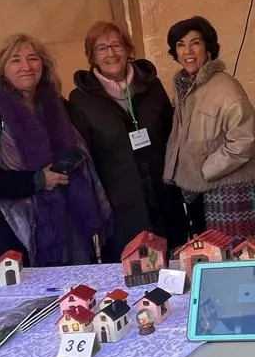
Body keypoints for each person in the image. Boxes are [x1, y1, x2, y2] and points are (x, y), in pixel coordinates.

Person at [0, 33, 113, 268]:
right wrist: (37, 181)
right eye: (15, 60)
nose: (26, 67)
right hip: (11, 234)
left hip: (68, 230)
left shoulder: (59, 107)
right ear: (2, 69)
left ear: (43, 64)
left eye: (33, 58)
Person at [66, 21, 189, 251]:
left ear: (128, 49)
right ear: (92, 56)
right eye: (101, 48)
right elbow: (84, 159)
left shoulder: (151, 86)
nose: (111, 53)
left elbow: (173, 135)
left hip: (164, 196)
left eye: (116, 45)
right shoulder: (81, 100)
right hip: (120, 207)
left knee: (175, 269)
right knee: (133, 269)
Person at [162, 17, 255, 240]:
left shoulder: (225, 86)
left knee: (236, 260)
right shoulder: (186, 87)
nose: (187, 51)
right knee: (208, 256)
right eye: (180, 44)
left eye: (195, 43)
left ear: (208, 47)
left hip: (229, 191)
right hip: (200, 191)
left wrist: (205, 171)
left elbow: (244, 140)